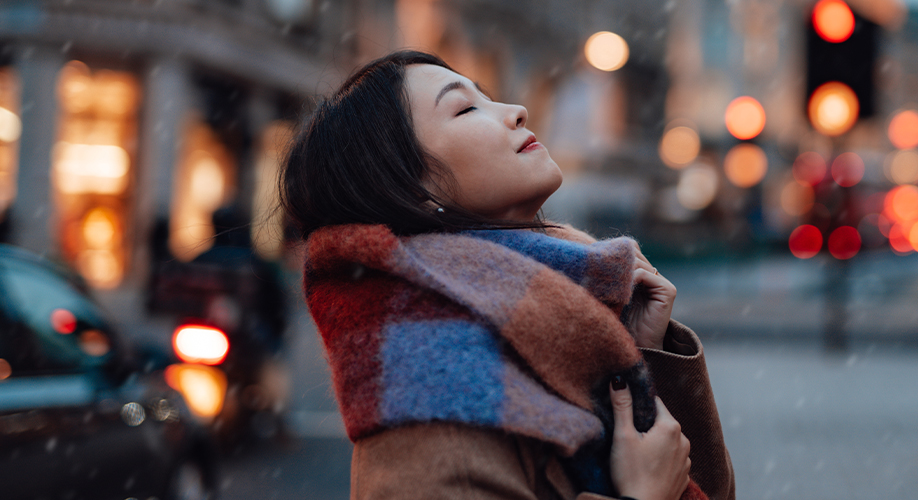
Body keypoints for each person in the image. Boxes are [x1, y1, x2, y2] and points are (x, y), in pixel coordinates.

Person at [280, 50, 734, 500]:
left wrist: (645, 351)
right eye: (465, 107)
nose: (516, 111)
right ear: (408, 188)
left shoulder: (572, 315)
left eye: (488, 96)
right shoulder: (431, 400)